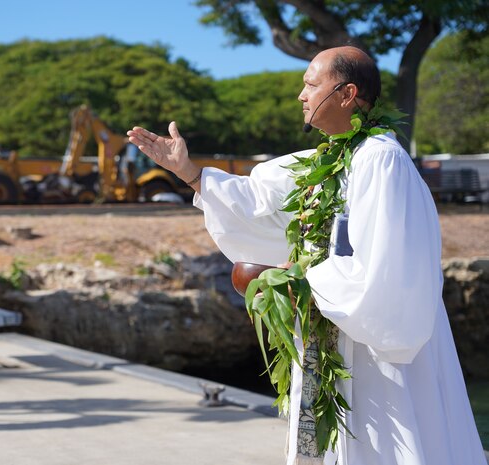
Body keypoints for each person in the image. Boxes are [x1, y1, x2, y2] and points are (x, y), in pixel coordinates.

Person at [127, 46, 485, 465]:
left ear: (348, 94)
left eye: (311, 84)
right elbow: (258, 200)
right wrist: (187, 172)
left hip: (374, 348)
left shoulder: (381, 160)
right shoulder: (328, 159)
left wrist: (299, 277)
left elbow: (388, 270)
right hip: (332, 329)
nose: (302, 95)